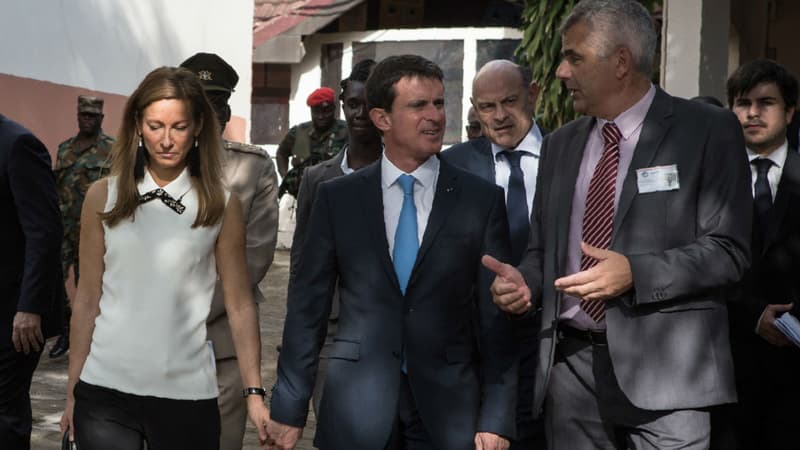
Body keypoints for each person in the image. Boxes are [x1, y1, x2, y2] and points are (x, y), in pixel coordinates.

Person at [483, 1, 752, 449]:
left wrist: (636, 274)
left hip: (669, 379)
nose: (561, 73)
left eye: (574, 57)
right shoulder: (561, 144)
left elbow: (730, 250)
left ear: (621, 62)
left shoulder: (706, 130)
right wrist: (526, 285)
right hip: (571, 375)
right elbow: (541, 250)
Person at [268, 55, 518, 450]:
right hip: (357, 407)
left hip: (448, 410)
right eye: (419, 105)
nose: (435, 116)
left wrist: (497, 417)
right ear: (382, 118)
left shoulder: (480, 200)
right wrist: (289, 404)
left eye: (439, 103)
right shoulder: (339, 199)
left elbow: (496, 321)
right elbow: (306, 308)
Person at [59, 67, 271, 450]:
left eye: (179, 127)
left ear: (198, 128)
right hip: (105, 391)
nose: (167, 140)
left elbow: (240, 304)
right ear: (138, 125)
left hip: (187, 394)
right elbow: (88, 298)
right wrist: (73, 390)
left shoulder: (221, 204)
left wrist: (253, 392)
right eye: (155, 126)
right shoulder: (101, 197)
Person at [443, 59, 545, 450]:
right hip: (479, 347)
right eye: (487, 107)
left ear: (532, 95)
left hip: (552, 338)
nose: (499, 116)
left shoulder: (568, 154)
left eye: (510, 102)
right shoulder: (453, 166)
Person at [180, 52, 279, 450]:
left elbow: (253, 258)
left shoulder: (252, 168)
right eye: (199, 103)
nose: (209, 113)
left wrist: (185, 314)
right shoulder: (144, 170)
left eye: (216, 103)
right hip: (153, 345)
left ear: (226, 108)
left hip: (222, 344)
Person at [716, 59, 800, 450]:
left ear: (790, 110)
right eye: (742, 102)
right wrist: (753, 316)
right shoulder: (711, 181)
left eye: (766, 102)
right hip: (726, 366)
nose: (752, 112)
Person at [289, 58, 381, 415]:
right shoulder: (317, 179)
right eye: (352, 104)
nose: (359, 113)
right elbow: (302, 263)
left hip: (385, 327)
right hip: (330, 329)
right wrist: (298, 340)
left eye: (368, 104)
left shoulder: (404, 174)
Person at [0, 115, 63, 449]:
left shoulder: (18, 145)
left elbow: (45, 232)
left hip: (14, 315)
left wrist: (30, 307)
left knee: (4, 413)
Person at [50, 95, 114, 359]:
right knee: (51, 279)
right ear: (77, 116)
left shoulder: (113, 149)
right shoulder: (65, 149)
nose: (87, 120)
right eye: (83, 115)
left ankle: (89, 339)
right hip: (62, 229)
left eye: (92, 116)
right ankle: (65, 327)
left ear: (101, 119)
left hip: (94, 231)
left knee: (90, 285)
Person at [276, 87, 348, 198]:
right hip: (301, 196)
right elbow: (281, 153)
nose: (320, 116)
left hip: (335, 194)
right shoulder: (299, 132)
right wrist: (285, 176)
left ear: (333, 109)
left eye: (325, 111)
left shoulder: (346, 131)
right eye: (316, 111)